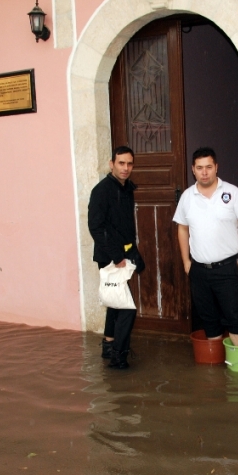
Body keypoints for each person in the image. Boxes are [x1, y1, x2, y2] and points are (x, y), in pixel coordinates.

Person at [173, 147, 238, 346]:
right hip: (199, 271)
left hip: (229, 268)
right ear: (193, 169)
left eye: (209, 167)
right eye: (200, 168)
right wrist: (186, 262)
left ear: (216, 167)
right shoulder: (187, 197)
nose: (205, 172)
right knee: (208, 320)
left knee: (236, 318)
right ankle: (215, 371)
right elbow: (182, 229)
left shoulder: (232, 192)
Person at [88, 146, 145, 369]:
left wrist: (131, 253)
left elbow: (122, 224)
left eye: (129, 163)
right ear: (112, 164)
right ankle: (118, 357)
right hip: (111, 256)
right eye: (121, 163)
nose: (126, 168)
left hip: (125, 252)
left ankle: (109, 344)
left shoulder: (126, 188)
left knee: (115, 302)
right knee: (126, 307)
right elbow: (96, 226)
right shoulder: (102, 190)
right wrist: (117, 256)